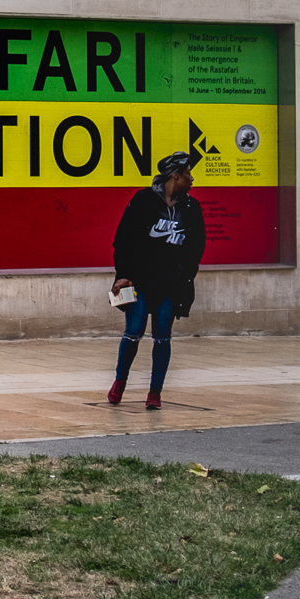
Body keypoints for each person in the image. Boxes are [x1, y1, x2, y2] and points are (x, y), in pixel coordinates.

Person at [107, 151, 206, 410]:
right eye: (188, 174)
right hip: (139, 283)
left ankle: (155, 392)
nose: (192, 178)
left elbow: (196, 247)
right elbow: (123, 241)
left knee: (163, 337)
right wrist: (123, 275)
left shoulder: (190, 208)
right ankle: (120, 381)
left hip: (170, 287)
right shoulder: (143, 200)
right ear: (176, 175)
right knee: (133, 333)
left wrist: (185, 279)